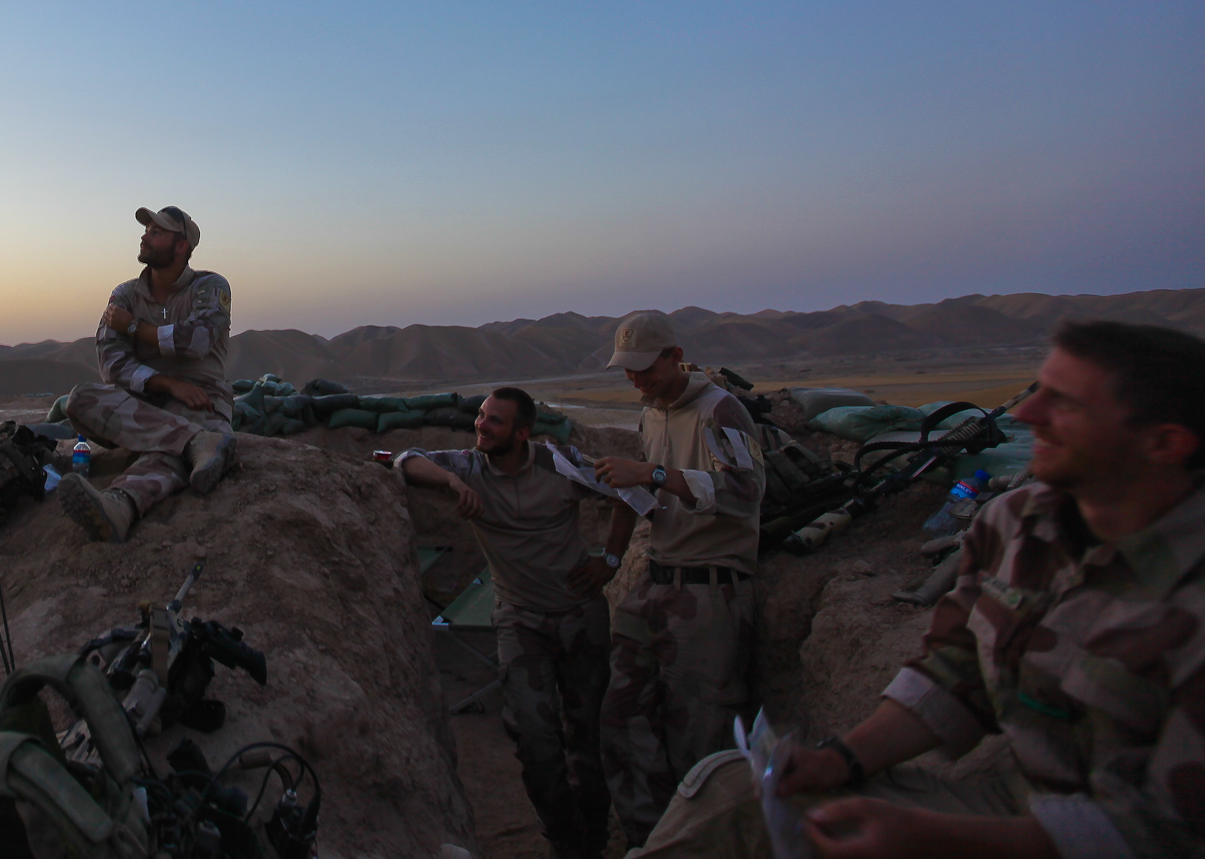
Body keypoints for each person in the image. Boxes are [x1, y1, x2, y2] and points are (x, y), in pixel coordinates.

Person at [630, 319, 1205, 859]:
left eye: (1067, 403)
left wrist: (932, 837)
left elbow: (1161, 833)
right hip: (1008, 798)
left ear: (1164, 443)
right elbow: (955, 670)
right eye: (1040, 391)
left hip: (1096, 836)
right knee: (734, 788)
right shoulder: (1019, 524)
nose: (1029, 413)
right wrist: (843, 760)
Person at [398, 387, 618, 859]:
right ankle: (564, 841)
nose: (481, 425)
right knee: (536, 744)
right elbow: (405, 459)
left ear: (521, 434)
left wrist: (612, 560)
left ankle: (595, 841)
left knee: (590, 738)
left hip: (580, 617)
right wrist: (451, 484)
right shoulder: (469, 466)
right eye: (480, 416)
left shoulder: (559, 463)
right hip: (521, 621)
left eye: (494, 421)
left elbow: (626, 492)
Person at [583, 310, 767, 849]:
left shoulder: (720, 410)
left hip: (711, 592)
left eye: (645, 368)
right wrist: (618, 530)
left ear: (674, 356)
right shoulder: (652, 414)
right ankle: (653, 840)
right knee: (621, 723)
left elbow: (744, 493)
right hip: (657, 583)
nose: (635, 380)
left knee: (702, 741)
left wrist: (655, 474)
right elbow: (648, 494)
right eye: (627, 370)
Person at [55, 206, 237, 543]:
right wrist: (168, 384)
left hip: (201, 398)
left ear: (181, 246)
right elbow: (112, 363)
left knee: (167, 448)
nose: (144, 236)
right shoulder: (125, 294)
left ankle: (120, 504)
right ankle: (197, 443)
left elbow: (197, 340)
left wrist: (135, 327)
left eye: (156, 232)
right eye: (146, 230)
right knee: (80, 398)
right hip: (145, 400)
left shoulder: (210, 287)